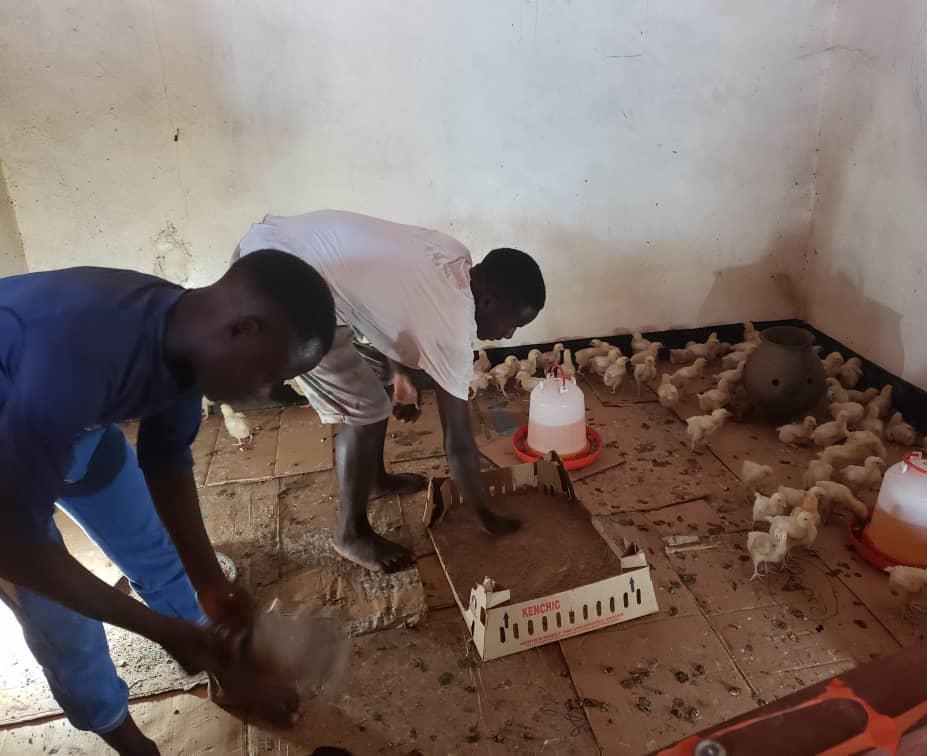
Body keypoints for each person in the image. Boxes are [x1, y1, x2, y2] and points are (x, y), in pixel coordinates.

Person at [0, 251, 336, 755]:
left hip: (68, 427)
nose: (266, 391)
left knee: (154, 550)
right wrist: (156, 630)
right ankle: (123, 734)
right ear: (242, 329)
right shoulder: (78, 354)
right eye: (270, 373)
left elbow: (166, 459)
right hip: (17, 443)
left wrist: (210, 583)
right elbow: (14, 548)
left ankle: (219, 660)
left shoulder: (184, 332)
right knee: (61, 622)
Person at [233, 210, 546, 573]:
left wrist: (401, 376)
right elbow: (459, 443)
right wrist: (487, 516)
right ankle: (350, 534)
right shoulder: (452, 326)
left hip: (274, 248)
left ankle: (374, 478)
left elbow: (391, 307)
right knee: (365, 412)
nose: (509, 336)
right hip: (278, 294)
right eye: (513, 323)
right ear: (489, 301)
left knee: (377, 377)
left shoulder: (453, 254)